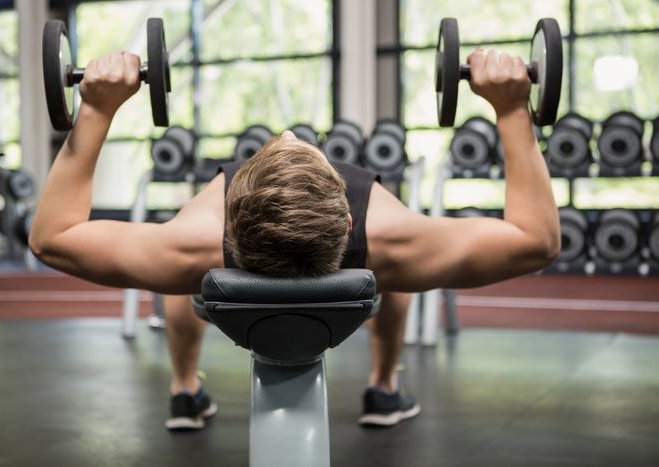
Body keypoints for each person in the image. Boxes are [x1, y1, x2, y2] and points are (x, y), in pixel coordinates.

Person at [29, 48, 560, 430]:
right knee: (398, 279)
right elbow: (536, 239)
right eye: (298, 148)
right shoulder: (394, 237)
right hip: (379, 259)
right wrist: (512, 109)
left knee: (168, 276)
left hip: (197, 257)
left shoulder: (192, 244)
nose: (288, 135)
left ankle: (185, 390)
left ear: (228, 221)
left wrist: (96, 109)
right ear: (352, 219)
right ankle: (383, 388)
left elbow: (53, 237)